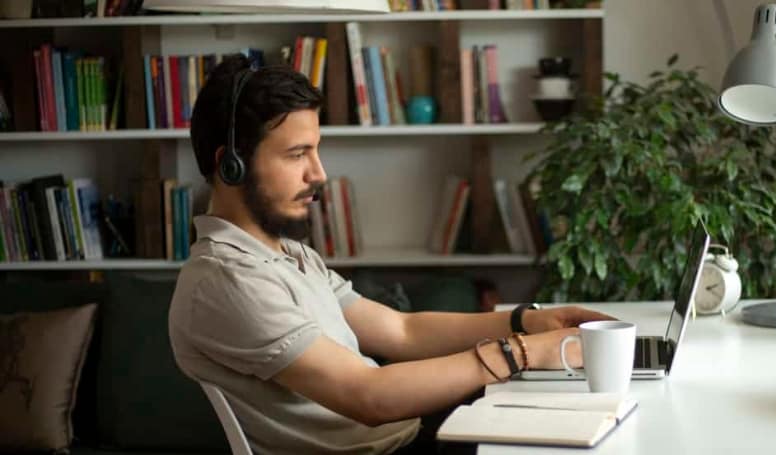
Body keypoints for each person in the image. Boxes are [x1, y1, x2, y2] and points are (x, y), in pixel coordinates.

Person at [167, 55, 613, 455]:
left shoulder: (286, 254)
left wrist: (527, 321)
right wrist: (524, 352)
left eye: (316, 151)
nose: (318, 174)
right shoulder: (227, 280)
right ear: (231, 165)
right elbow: (369, 396)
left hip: (406, 439)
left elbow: (403, 331)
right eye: (297, 154)